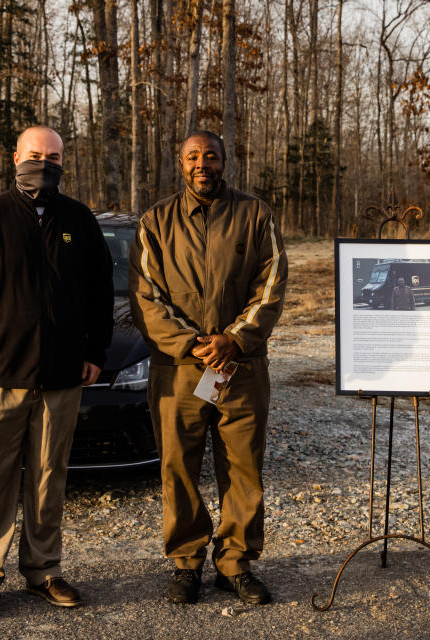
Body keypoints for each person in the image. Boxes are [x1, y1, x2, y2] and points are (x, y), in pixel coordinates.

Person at [0, 126, 114, 621]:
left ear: (64, 162)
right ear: (15, 157)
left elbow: (101, 293)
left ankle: (43, 571)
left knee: (47, 480)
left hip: (61, 379)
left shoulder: (78, 220)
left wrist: (95, 351)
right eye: (35, 155)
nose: (44, 163)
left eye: (53, 156)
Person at [129, 131, 288, 605]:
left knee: (243, 467)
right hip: (179, 370)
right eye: (193, 157)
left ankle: (236, 563)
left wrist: (234, 340)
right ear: (181, 164)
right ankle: (186, 562)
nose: (203, 164)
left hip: (241, 369)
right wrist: (193, 346)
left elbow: (272, 282)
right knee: (178, 466)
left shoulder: (255, 214)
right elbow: (146, 296)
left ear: (224, 161)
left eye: (211, 156)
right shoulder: (156, 221)